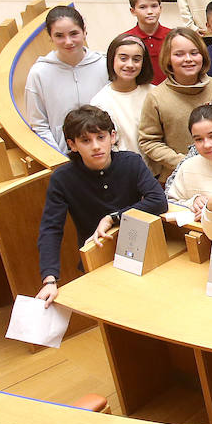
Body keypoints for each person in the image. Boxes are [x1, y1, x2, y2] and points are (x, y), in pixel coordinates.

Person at [35, 106, 167, 306]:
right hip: (96, 258)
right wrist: (50, 278)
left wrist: (112, 217)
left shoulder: (131, 162)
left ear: (112, 137)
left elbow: (158, 201)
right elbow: (51, 230)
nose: (96, 146)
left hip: (141, 253)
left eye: (101, 137)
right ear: (72, 145)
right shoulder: (62, 179)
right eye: (86, 141)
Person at [138, 28, 212, 180]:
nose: (188, 59)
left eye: (194, 53)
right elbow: (149, 141)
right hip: (179, 177)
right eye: (179, 54)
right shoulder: (156, 97)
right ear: (168, 58)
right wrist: (183, 162)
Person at [24, 5, 109, 154]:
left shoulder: (104, 64)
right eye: (59, 36)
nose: (68, 41)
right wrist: (59, 158)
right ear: (50, 36)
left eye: (74, 33)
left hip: (105, 152)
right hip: (64, 155)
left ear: (84, 31)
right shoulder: (39, 73)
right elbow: (39, 124)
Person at [90, 34, 154, 165]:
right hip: (123, 172)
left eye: (136, 59)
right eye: (123, 58)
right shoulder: (99, 102)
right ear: (112, 59)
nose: (130, 65)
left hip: (158, 172)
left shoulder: (154, 93)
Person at [124, 0, 169, 84]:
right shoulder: (126, 40)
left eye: (154, 6)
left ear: (160, 8)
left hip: (170, 92)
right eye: (143, 7)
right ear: (133, 11)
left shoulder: (172, 37)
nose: (149, 11)